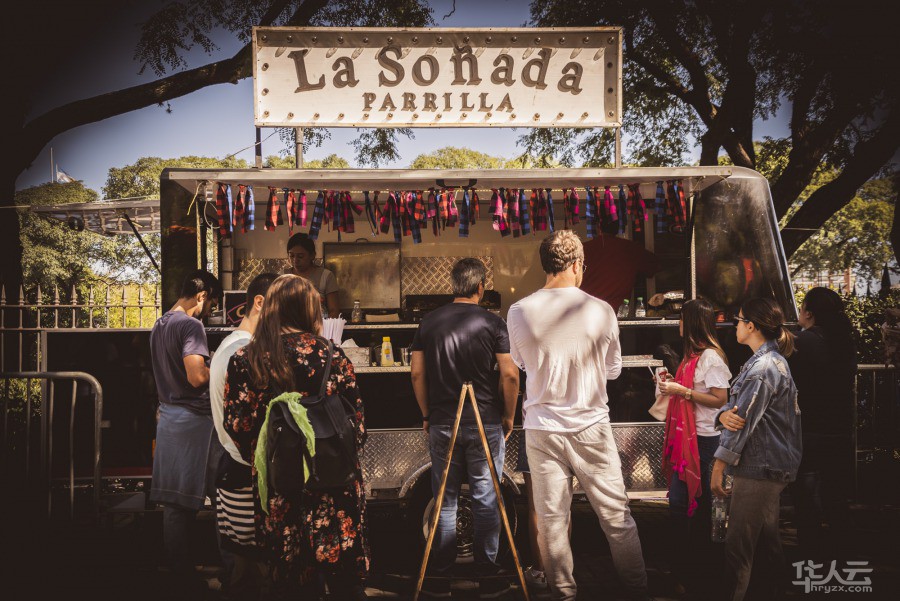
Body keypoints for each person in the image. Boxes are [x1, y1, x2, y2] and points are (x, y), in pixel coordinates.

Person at [507, 230, 649, 601]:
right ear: (576, 265)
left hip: (542, 429)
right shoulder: (601, 311)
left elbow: (522, 363)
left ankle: (563, 594)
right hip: (591, 427)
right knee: (616, 519)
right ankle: (637, 592)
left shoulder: (519, 311)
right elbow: (613, 370)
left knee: (552, 523)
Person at [223, 274, 368, 600]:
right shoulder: (334, 356)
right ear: (310, 310)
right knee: (345, 583)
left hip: (281, 490)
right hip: (335, 486)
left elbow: (238, 426)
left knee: (290, 583)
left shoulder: (245, 359)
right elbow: (357, 426)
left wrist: (270, 458)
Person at [409, 258, 520, 599]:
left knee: (445, 500)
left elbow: (416, 373)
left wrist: (426, 414)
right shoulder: (493, 323)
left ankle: (440, 579)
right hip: (485, 420)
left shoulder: (429, 322)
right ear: (480, 287)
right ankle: (488, 577)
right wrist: (508, 416)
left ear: (453, 285)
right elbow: (510, 374)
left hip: (443, 421)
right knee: (486, 499)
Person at [711, 298, 801, 601]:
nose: (734, 325)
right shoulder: (766, 362)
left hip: (760, 467)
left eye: (738, 320)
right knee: (766, 542)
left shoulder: (762, 368)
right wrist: (722, 415)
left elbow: (742, 422)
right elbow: (734, 411)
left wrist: (719, 466)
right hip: (767, 464)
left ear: (751, 326)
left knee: (738, 547)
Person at [149, 269, 223, 594]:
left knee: (176, 505)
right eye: (212, 303)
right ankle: (236, 573)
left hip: (169, 418)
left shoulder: (160, 324)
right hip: (196, 422)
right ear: (202, 295)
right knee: (224, 496)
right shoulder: (191, 325)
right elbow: (197, 377)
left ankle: (181, 577)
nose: (211, 311)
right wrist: (220, 364)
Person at [209, 272, 277, 595]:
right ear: (260, 303)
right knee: (255, 574)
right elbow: (248, 425)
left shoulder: (229, 345)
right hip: (245, 473)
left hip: (233, 467)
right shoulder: (245, 352)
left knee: (243, 569)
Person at [657, 298, 731, 595]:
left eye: (682, 319)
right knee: (679, 504)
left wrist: (683, 391)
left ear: (692, 324)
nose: (678, 324)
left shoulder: (710, 357)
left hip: (705, 441)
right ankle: (682, 573)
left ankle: (699, 576)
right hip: (687, 440)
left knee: (699, 509)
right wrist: (672, 387)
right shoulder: (692, 356)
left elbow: (720, 399)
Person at [789, 287, 857, 558]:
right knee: (837, 500)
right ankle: (842, 554)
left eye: (802, 307)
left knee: (806, 501)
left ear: (809, 313)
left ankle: (811, 557)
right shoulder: (845, 342)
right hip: (840, 430)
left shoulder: (802, 342)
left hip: (809, 430)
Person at [286, 232, 340, 318]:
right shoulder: (282, 276)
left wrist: (322, 326)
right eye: (291, 256)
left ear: (312, 255)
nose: (295, 260)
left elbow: (334, 311)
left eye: (300, 256)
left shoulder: (326, 276)